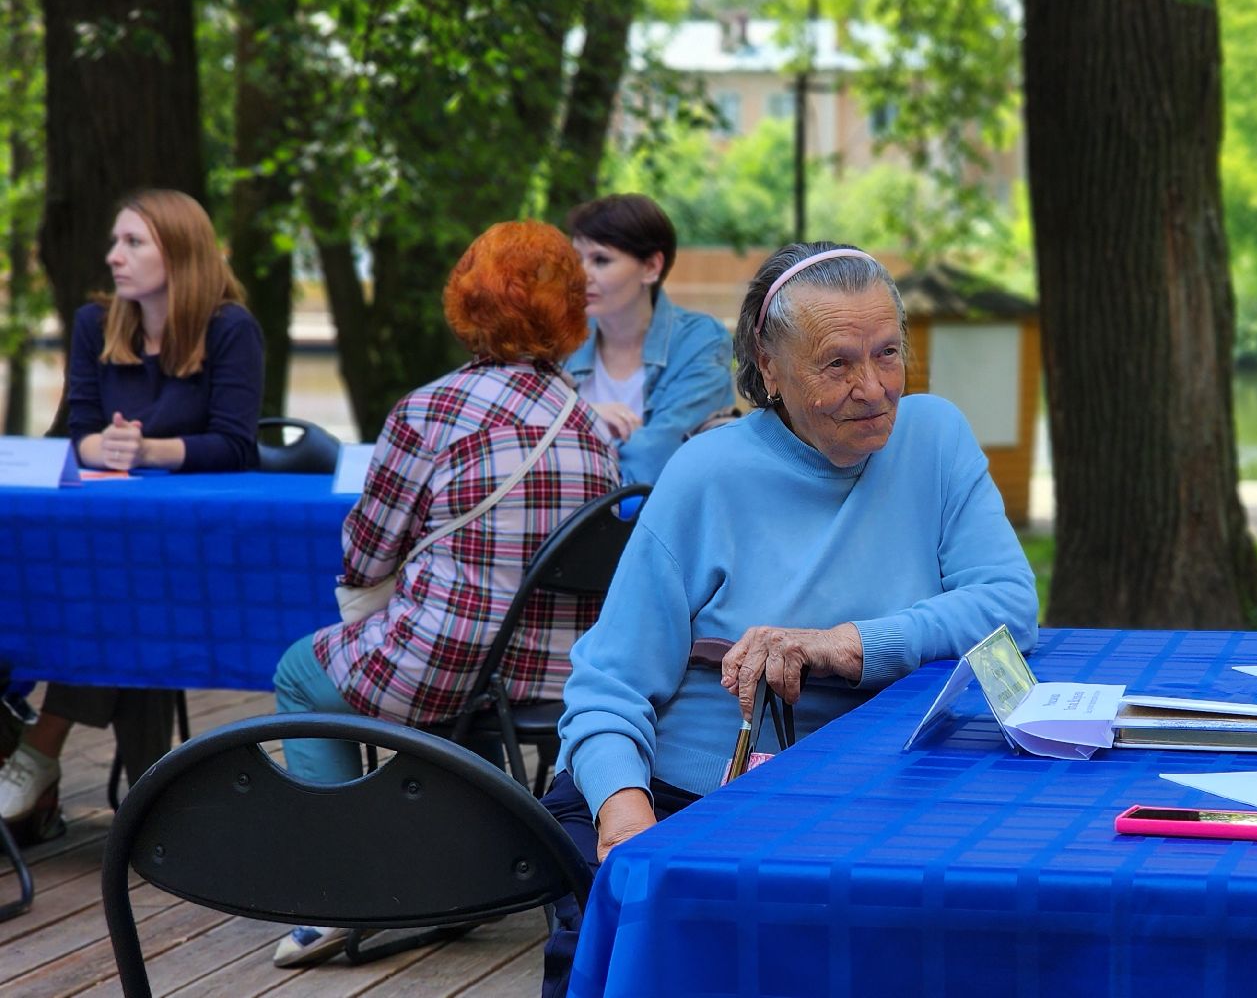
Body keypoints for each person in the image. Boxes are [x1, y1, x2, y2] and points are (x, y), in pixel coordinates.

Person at [541, 241, 1040, 996]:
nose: (873, 388)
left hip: (880, 795)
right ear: (769, 369)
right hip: (696, 796)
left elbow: (1007, 605)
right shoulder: (707, 474)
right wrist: (626, 817)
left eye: (887, 354)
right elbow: (609, 684)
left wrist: (850, 643)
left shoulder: (932, 438)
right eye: (836, 363)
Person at [269, 220, 621, 968]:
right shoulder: (592, 425)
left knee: (301, 669)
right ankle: (462, 860)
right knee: (446, 669)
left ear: (469, 302)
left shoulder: (433, 408)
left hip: (450, 664)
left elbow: (365, 554)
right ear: (571, 313)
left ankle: (335, 890)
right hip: (554, 674)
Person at [0, 189, 265, 834]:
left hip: (194, 549)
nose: (114, 256)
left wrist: (152, 449)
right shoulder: (96, 325)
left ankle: (39, 755)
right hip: (112, 539)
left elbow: (236, 445)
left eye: (133, 243)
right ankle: (132, 789)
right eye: (116, 241)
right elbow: (80, 431)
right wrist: (106, 446)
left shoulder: (231, 329)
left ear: (178, 253)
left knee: (125, 592)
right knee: (89, 585)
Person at [563, 194, 735, 486]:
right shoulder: (561, 338)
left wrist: (571, 435)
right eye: (576, 259)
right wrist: (585, 415)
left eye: (600, 260)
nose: (580, 276)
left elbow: (653, 461)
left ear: (652, 267)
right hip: (569, 524)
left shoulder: (700, 341)